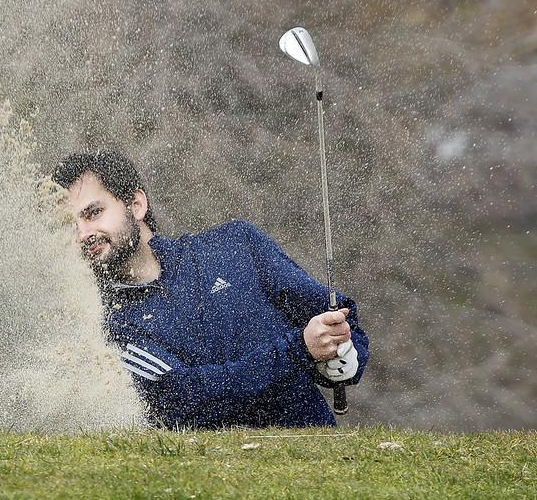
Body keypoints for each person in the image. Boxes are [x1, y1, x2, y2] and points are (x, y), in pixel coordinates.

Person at [52, 149, 369, 428]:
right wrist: (300, 350)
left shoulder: (234, 243)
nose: (83, 233)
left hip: (319, 461)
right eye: (71, 224)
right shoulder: (110, 326)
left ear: (135, 204)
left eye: (93, 213)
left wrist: (346, 356)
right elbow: (188, 400)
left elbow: (333, 315)